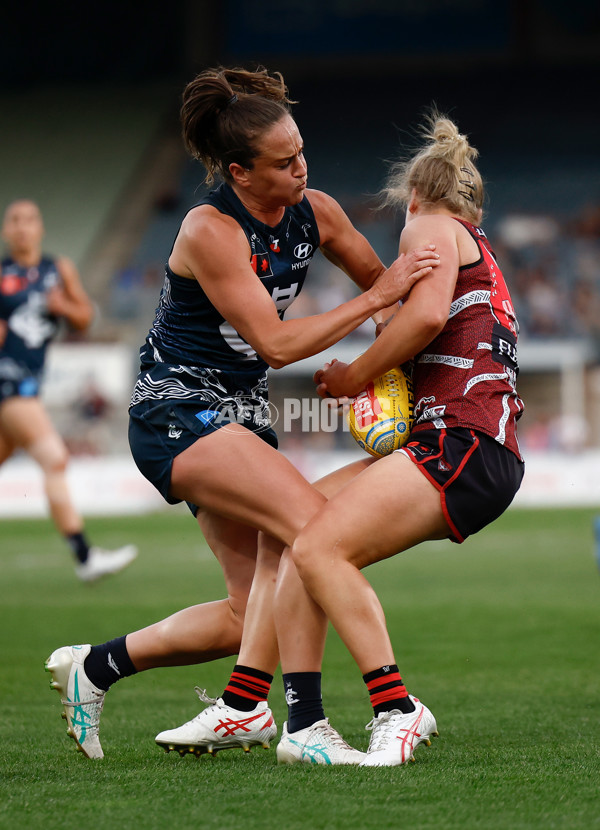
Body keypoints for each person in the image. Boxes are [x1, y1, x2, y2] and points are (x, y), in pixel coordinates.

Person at [44, 66, 439, 760]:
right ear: (240, 172)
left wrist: (394, 347)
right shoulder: (209, 229)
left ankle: (98, 667)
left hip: (241, 415)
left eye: (303, 153)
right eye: (284, 163)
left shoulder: (315, 211)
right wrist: (378, 305)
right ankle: (314, 724)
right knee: (315, 531)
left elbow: (387, 284)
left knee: (244, 614)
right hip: (178, 408)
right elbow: (278, 343)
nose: (301, 169)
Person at [267, 110, 525, 766]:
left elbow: (432, 316)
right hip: (461, 445)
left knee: (322, 548)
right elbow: (435, 331)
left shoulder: (430, 225)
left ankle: (396, 708)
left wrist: (355, 373)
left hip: (461, 445)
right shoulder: (475, 251)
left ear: (411, 197)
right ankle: (303, 723)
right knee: (298, 534)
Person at [0, 199, 138, 581]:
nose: (23, 226)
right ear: (6, 231)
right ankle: (85, 557)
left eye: (30, 219)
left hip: (29, 381)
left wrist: (62, 304)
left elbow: (85, 319)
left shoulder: (56, 270)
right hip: (8, 382)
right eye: (15, 220)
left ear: (40, 228)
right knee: (54, 457)